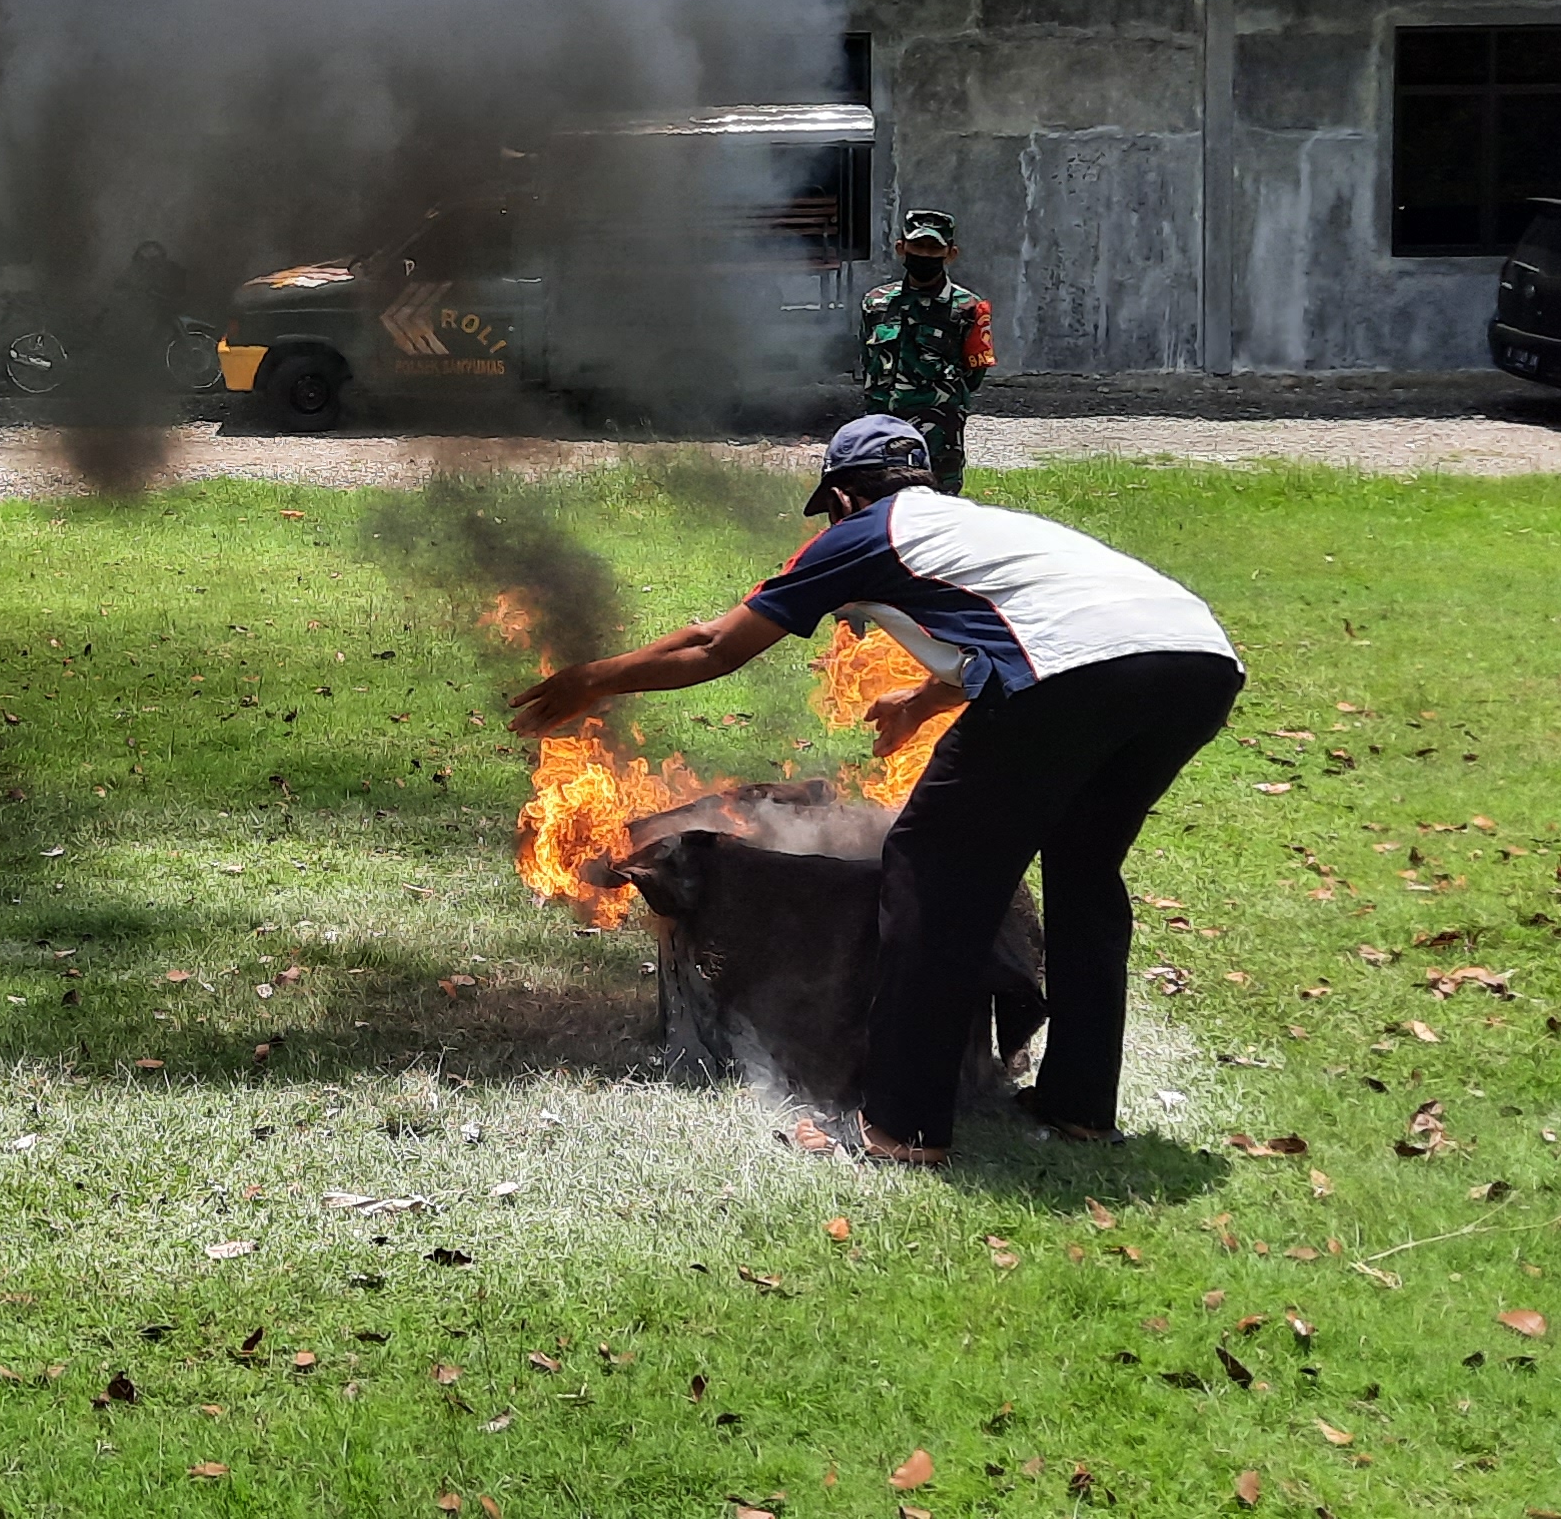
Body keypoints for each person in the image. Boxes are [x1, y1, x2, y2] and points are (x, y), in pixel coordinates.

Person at [508, 415, 1244, 1162]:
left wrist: (590, 679)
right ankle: (1079, 1104)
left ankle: (902, 1125)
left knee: (930, 871)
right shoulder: (976, 527)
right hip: (1199, 663)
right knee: (1085, 872)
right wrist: (919, 704)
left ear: (842, 498)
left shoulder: (864, 535)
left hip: (1074, 678)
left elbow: (713, 644)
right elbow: (1025, 632)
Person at [859, 210, 993, 492]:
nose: (925, 254)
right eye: (918, 246)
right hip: (883, 426)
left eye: (934, 248)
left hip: (939, 433)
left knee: (940, 507)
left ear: (951, 253)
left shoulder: (968, 308)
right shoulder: (877, 303)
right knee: (880, 505)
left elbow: (974, 375)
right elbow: (866, 359)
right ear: (901, 248)